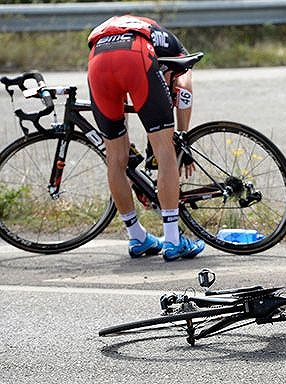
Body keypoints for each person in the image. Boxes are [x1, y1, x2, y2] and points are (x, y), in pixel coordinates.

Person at [87, 15, 204, 261]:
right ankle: (173, 240)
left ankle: (136, 237)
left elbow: (121, 97)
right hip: (134, 56)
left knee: (116, 158)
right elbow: (183, 83)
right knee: (165, 152)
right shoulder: (170, 42)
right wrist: (182, 137)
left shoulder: (117, 26)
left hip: (97, 60)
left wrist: (123, 138)